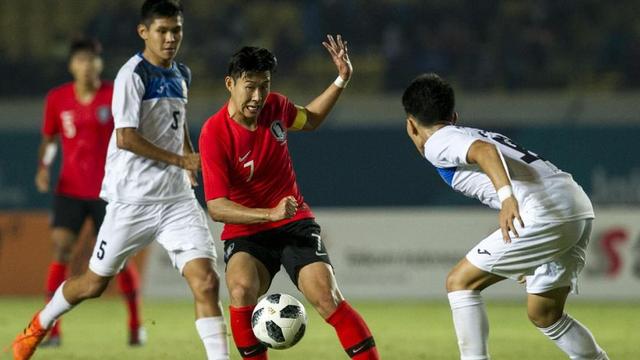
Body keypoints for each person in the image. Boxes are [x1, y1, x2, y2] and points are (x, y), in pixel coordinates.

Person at [13, 1, 228, 359]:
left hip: (176, 200)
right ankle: (41, 323)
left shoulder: (181, 74)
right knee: (94, 284)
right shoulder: (133, 75)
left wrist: (187, 162)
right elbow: (126, 137)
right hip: (132, 202)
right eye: (162, 31)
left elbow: (177, 124)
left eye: (176, 30)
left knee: (206, 281)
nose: (171, 38)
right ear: (143, 32)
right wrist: (181, 159)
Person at [402, 73, 608, 360]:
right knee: (545, 314)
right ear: (454, 114)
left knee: (459, 283)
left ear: (411, 125)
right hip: (575, 205)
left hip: (545, 212)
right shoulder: (467, 133)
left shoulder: (439, 140)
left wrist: (506, 198)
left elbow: (484, 153)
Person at [199, 38, 379, 360]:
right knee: (240, 290)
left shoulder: (277, 107)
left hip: (294, 222)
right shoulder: (214, 133)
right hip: (249, 232)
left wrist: (341, 79)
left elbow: (310, 119)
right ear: (230, 84)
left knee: (327, 297)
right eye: (249, 86)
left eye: (264, 86)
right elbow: (216, 207)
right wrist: (268, 214)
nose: (257, 96)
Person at [34, 36, 145, 348]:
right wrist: (43, 166)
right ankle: (52, 331)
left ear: (99, 63)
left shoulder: (115, 95)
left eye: (92, 59)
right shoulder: (57, 99)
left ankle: (136, 326)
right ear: (72, 65)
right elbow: (50, 139)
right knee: (60, 250)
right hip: (69, 189)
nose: (87, 65)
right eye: (80, 60)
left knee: (119, 259)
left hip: (109, 192)